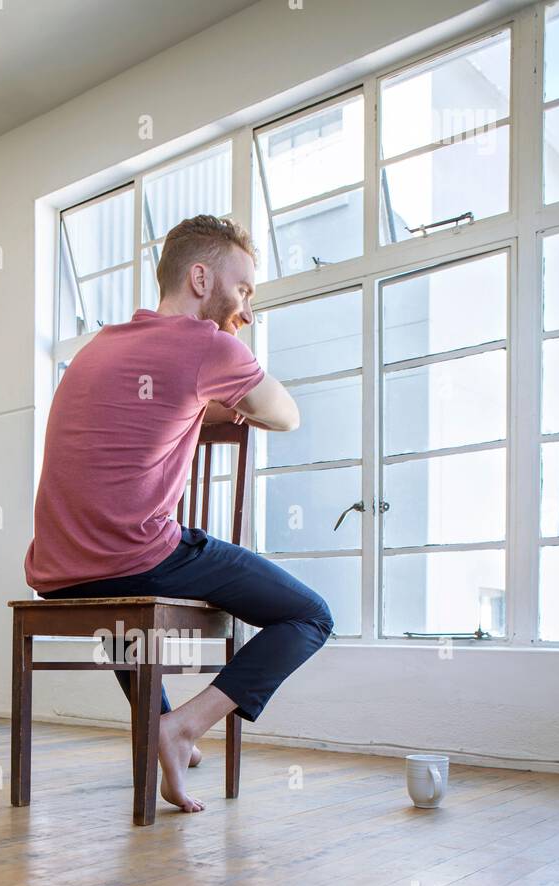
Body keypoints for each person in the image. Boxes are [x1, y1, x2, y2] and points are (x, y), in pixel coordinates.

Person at [24, 214, 333, 813]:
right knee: (311, 616)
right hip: (133, 558)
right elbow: (286, 414)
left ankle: (165, 735)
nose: (244, 307)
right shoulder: (205, 345)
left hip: (61, 572)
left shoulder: (99, 345)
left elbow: (149, 411)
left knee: (124, 615)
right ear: (200, 277)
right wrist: (228, 388)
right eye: (242, 289)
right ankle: (182, 727)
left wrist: (204, 404)